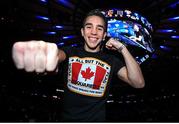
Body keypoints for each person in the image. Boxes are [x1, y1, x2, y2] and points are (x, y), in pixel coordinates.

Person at [12, 9, 145, 122]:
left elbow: (138, 83)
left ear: (104, 35)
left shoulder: (112, 61)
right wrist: (47, 53)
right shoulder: (70, 52)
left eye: (99, 29)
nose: (94, 32)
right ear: (82, 32)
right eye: (89, 27)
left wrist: (122, 47)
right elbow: (58, 55)